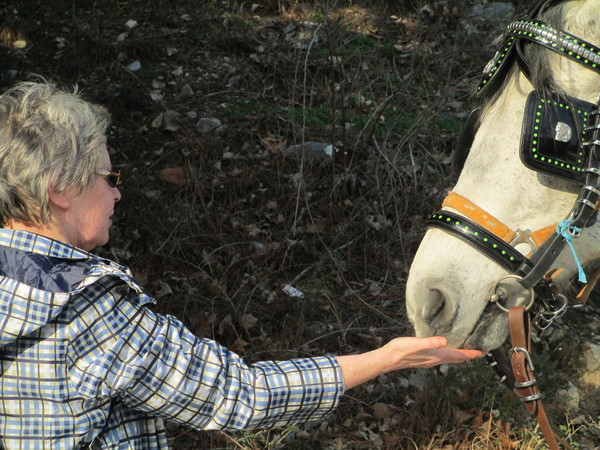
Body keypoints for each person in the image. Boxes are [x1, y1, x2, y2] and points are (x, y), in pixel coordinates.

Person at [0, 81, 484, 448]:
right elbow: (241, 396)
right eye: (108, 175)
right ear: (60, 189)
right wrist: (384, 359)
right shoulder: (87, 307)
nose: (117, 191)